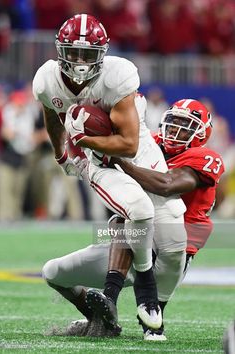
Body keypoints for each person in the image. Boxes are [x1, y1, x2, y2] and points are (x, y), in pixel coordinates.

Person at [34, 13, 186, 334]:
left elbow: (129, 146)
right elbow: (52, 114)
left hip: (159, 239)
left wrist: (83, 138)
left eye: (86, 54)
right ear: (59, 51)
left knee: (148, 222)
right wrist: (62, 152)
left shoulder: (118, 77)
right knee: (52, 270)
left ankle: (141, 300)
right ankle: (105, 313)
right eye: (72, 52)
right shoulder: (47, 81)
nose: (78, 61)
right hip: (100, 167)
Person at [42, 98, 224, 341]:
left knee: (129, 222)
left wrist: (117, 159)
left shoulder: (204, 156)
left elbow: (166, 185)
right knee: (53, 271)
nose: (175, 130)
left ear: (201, 133)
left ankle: (132, 301)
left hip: (171, 253)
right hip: (131, 242)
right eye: (172, 123)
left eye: (185, 125)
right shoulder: (149, 145)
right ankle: (102, 317)